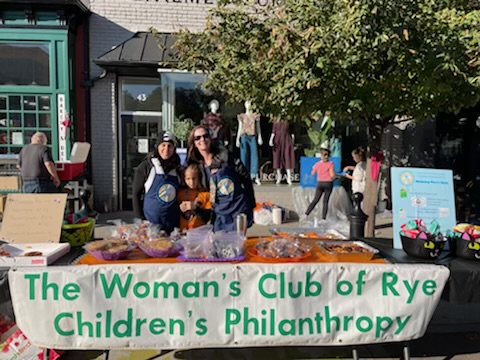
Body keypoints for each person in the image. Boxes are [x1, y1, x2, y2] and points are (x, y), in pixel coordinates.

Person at [187, 125, 255, 232]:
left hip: (236, 210)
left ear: (210, 139)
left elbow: (245, 177)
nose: (202, 140)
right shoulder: (198, 167)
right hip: (219, 214)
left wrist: (251, 204)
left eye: (205, 136)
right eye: (198, 138)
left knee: (236, 245)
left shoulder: (226, 157)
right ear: (194, 143)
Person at [132, 131, 182, 234]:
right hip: (150, 226)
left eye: (170, 146)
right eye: (163, 145)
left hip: (172, 226)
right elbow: (136, 195)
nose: (166, 149)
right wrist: (140, 220)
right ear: (157, 147)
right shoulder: (146, 166)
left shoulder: (178, 169)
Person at [177, 163, 212, 231]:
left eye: (194, 178)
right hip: (183, 232)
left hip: (200, 233)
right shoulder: (181, 194)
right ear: (184, 179)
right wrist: (180, 210)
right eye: (188, 179)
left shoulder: (205, 195)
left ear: (199, 177)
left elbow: (208, 217)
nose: (191, 182)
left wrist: (195, 208)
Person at [236, 100, 262, 185]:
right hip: (244, 136)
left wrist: (259, 137)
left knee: (254, 156)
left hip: (252, 136)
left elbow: (258, 127)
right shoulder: (242, 116)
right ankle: (244, 176)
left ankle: (254, 175)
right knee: (244, 156)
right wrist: (237, 138)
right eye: (247, 103)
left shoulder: (255, 116)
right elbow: (240, 128)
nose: (249, 105)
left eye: (250, 104)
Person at [304, 148, 335, 220]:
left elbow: (313, 173)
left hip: (320, 183)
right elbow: (332, 175)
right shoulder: (331, 164)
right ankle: (323, 218)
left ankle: (306, 214)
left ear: (321, 155)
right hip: (328, 183)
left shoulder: (317, 164)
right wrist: (337, 176)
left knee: (315, 200)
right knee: (325, 202)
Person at [269, 118, 295, 185]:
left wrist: (292, 141)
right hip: (277, 140)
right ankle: (279, 176)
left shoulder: (288, 119)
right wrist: (271, 139)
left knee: (287, 156)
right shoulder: (275, 120)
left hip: (286, 139)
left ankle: (289, 177)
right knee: (277, 157)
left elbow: (292, 131)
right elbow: (273, 131)